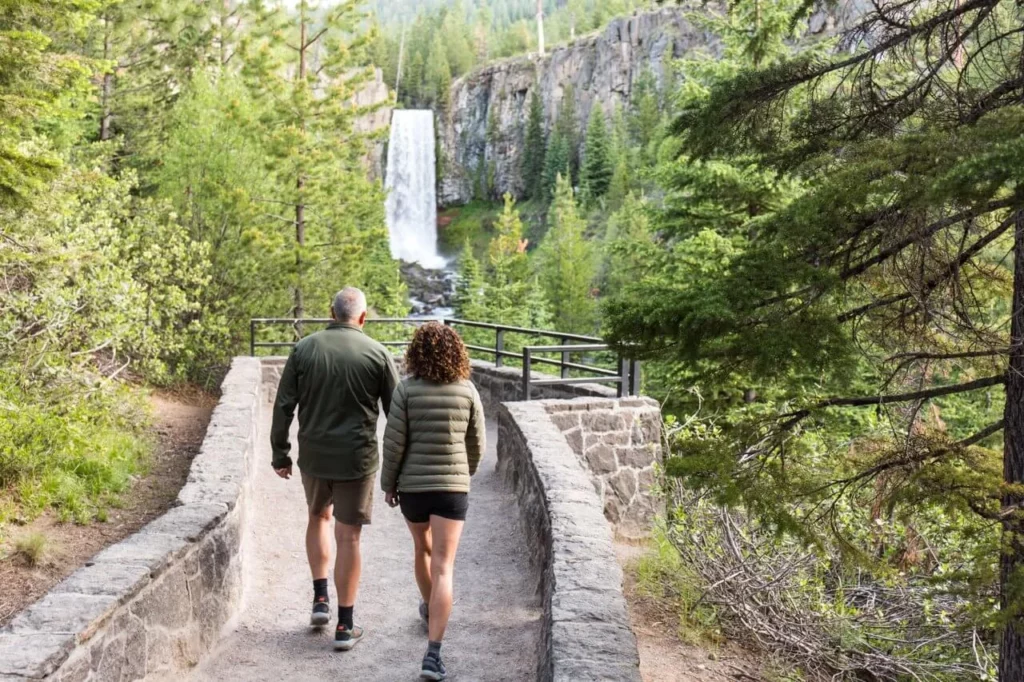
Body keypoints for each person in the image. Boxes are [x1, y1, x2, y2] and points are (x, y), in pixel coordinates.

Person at [270, 287, 399, 652]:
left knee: (317, 518)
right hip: (357, 460)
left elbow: (284, 406)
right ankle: (345, 624)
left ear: (331, 312)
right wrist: (398, 466)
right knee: (350, 537)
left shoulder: (305, 349)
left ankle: (320, 600)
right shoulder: (377, 353)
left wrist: (281, 453)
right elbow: (397, 416)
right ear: (363, 316)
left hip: (314, 455)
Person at [381, 322, 485, 681]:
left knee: (422, 550)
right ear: (457, 352)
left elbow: (393, 443)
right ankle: (433, 654)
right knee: (445, 567)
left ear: (416, 353)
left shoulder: (406, 390)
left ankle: (428, 607)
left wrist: (388, 484)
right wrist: (462, 475)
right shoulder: (468, 390)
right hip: (452, 489)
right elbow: (477, 445)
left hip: (413, 488)